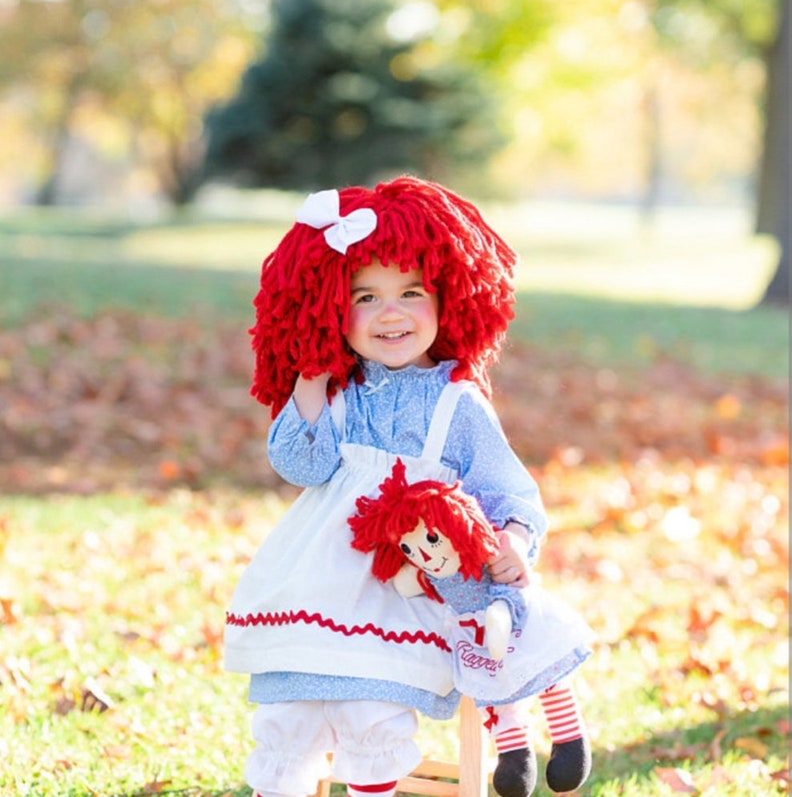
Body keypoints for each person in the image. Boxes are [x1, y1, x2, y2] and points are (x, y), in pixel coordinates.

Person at [224, 176, 587, 797]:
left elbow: (508, 492)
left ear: (446, 300)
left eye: (410, 292)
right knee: (291, 715)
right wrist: (310, 376)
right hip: (318, 578)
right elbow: (302, 466)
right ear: (333, 308)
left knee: (371, 712)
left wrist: (513, 540)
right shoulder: (340, 393)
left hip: (404, 592)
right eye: (365, 297)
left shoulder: (456, 405)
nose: (389, 313)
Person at [349, 458, 593, 794]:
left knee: (547, 676)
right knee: (496, 697)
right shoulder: (436, 574)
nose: (425, 555)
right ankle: (515, 757)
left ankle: (570, 741)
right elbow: (415, 582)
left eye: (431, 539)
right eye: (409, 549)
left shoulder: (484, 557)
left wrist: (499, 616)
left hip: (513, 620)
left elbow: (504, 590)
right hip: (474, 637)